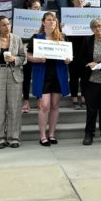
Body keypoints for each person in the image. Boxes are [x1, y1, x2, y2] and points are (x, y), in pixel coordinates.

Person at [26, 12, 71, 146]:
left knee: (55, 105)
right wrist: (36, 59)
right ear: (43, 22)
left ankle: (51, 134)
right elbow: (27, 54)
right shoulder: (37, 37)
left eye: (54, 20)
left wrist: (68, 60)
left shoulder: (62, 37)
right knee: (44, 106)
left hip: (58, 74)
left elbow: (69, 56)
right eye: (49, 20)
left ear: (56, 23)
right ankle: (42, 136)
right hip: (43, 74)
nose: (51, 22)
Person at [0, 16, 25, 148]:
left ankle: (13, 138)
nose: (7, 27)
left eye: (8, 24)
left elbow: (23, 58)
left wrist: (15, 59)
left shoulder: (17, 39)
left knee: (14, 108)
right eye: (4, 25)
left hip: (14, 74)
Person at [66, 0, 88, 110]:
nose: (79, 1)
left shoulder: (91, 13)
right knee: (74, 76)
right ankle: (74, 98)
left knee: (85, 76)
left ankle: (84, 98)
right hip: (72, 48)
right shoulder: (67, 14)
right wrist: (62, 25)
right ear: (72, 1)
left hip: (86, 48)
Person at [21, 0, 42, 114]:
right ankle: (26, 101)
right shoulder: (22, 19)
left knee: (39, 75)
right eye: (35, 7)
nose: (38, 10)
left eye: (39, 8)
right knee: (27, 76)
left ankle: (39, 99)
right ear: (29, 8)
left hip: (39, 49)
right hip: (26, 49)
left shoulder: (44, 20)